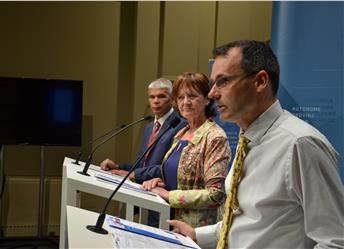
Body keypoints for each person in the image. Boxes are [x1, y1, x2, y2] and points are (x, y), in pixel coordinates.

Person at [167, 40, 344, 249]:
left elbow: (335, 241)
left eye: (223, 82)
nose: (213, 93)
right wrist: (197, 234)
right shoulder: (247, 140)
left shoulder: (300, 144)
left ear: (260, 81)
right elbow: (249, 224)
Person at [142, 72, 231, 228]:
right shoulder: (181, 133)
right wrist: (161, 182)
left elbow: (215, 194)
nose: (186, 102)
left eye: (192, 96)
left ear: (207, 99)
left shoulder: (215, 137)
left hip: (193, 229)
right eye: (180, 97)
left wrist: (169, 195)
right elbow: (181, 178)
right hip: (165, 221)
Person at [100, 78, 186, 227]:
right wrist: (119, 167)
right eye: (152, 97)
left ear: (172, 99)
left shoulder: (180, 125)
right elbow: (141, 165)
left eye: (161, 96)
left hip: (163, 202)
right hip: (144, 198)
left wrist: (134, 174)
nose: (156, 101)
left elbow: (169, 168)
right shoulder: (149, 127)